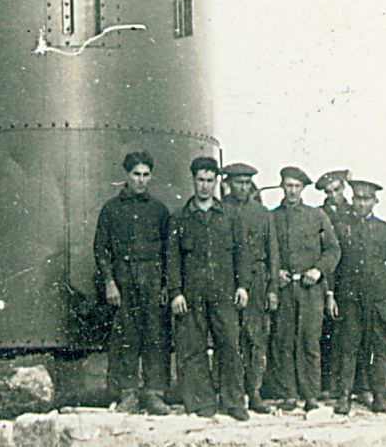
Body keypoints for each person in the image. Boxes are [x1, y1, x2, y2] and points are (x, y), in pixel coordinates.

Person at [166, 156, 251, 421]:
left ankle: (233, 401)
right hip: (192, 294)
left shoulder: (230, 216)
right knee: (193, 348)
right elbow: (172, 258)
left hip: (224, 292)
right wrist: (175, 292)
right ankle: (202, 402)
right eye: (201, 180)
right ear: (193, 180)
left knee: (230, 345)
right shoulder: (180, 218)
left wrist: (243, 286)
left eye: (210, 181)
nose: (205, 186)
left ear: (216, 183)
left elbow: (242, 253)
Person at [94, 151, 171, 414]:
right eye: (136, 174)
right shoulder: (111, 209)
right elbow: (101, 249)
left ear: (151, 177)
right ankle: (127, 393)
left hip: (152, 280)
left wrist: (165, 285)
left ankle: (154, 394)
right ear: (127, 176)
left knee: (155, 337)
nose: (141, 180)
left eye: (146, 175)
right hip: (124, 280)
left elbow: (168, 251)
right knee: (125, 337)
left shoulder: (159, 210)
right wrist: (109, 282)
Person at [328, 179, 386, 415]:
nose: (361, 204)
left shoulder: (385, 229)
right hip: (350, 300)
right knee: (348, 348)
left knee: (379, 349)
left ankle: (379, 396)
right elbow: (332, 264)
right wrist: (331, 295)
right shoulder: (341, 228)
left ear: (375, 201)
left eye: (366, 199)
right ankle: (344, 397)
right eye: (357, 199)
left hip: (378, 300)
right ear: (352, 200)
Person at [268, 165, 341, 411]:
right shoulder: (272, 217)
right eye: (288, 186)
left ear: (303, 189)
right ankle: (289, 394)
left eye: (297, 186)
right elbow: (267, 252)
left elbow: (333, 250)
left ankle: (311, 395)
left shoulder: (316, 216)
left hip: (311, 291)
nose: (292, 191)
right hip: (284, 289)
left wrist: (318, 270)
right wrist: (276, 273)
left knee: (309, 342)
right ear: (282, 186)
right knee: (284, 341)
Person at [222, 162, 280, 414]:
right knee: (230, 338)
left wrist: (272, 288)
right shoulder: (220, 210)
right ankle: (229, 394)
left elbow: (273, 252)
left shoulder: (262, 213)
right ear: (228, 183)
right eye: (238, 182)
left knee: (256, 337)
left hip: (257, 280)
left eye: (247, 183)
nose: (243, 188)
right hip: (227, 281)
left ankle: (254, 391)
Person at [315, 168, 352, 398]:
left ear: (344, 188)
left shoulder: (353, 212)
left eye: (337, 190)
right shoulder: (319, 215)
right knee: (327, 332)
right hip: (329, 280)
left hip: (351, 280)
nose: (333, 195)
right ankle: (328, 384)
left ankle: (350, 384)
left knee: (350, 334)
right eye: (329, 192)